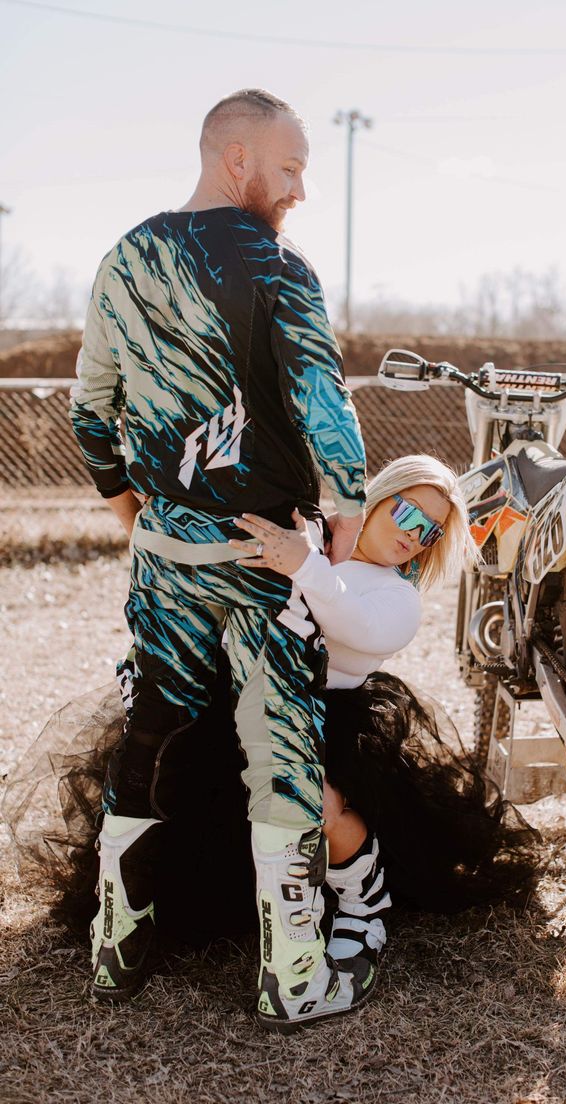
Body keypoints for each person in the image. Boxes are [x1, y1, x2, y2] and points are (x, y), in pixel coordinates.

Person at [4, 456, 540, 1029]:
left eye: (429, 529)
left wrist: (306, 564)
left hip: (326, 717)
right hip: (239, 698)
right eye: (407, 511)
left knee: (320, 802)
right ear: (377, 498)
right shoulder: (313, 533)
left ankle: (365, 900)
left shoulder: (395, 594)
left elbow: (361, 625)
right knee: (183, 793)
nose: (413, 533)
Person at [67, 87, 368, 1031]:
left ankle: (116, 949)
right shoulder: (278, 266)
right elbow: (326, 409)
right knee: (281, 748)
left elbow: (90, 411)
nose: (300, 191)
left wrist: (141, 520)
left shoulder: (124, 261)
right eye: (290, 168)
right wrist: (345, 529)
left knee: (150, 732)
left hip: (163, 554)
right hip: (263, 556)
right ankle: (295, 975)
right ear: (236, 159)